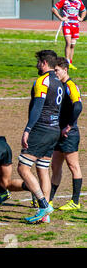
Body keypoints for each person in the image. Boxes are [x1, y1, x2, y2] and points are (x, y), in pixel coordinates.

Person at [17, 50, 64, 224]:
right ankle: (45, 215)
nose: (37, 65)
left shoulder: (42, 81)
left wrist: (28, 129)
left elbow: (38, 106)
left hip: (42, 129)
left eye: (38, 62)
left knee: (23, 168)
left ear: (44, 63)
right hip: (54, 130)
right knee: (43, 169)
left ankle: (43, 205)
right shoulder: (59, 82)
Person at [50, 57, 83, 210]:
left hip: (70, 133)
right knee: (55, 167)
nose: (55, 73)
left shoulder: (70, 86)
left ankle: (75, 202)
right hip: (58, 132)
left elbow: (78, 106)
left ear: (65, 70)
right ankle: (49, 200)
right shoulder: (60, 85)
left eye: (57, 70)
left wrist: (69, 126)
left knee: (73, 166)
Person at [52, 0, 86, 70]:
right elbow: (54, 9)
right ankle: (66, 63)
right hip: (67, 24)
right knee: (68, 42)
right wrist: (61, 18)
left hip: (76, 25)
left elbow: (84, 10)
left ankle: (70, 62)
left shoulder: (79, 2)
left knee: (73, 45)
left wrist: (81, 18)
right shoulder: (64, 1)